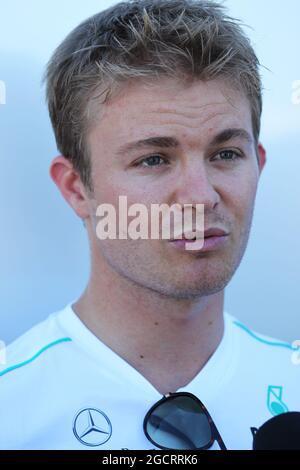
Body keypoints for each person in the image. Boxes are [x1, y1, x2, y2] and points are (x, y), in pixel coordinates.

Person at [0, 0, 298, 451]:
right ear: (77, 189)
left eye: (225, 154)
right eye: (153, 159)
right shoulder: (12, 410)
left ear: (258, 164)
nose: (201, 196)